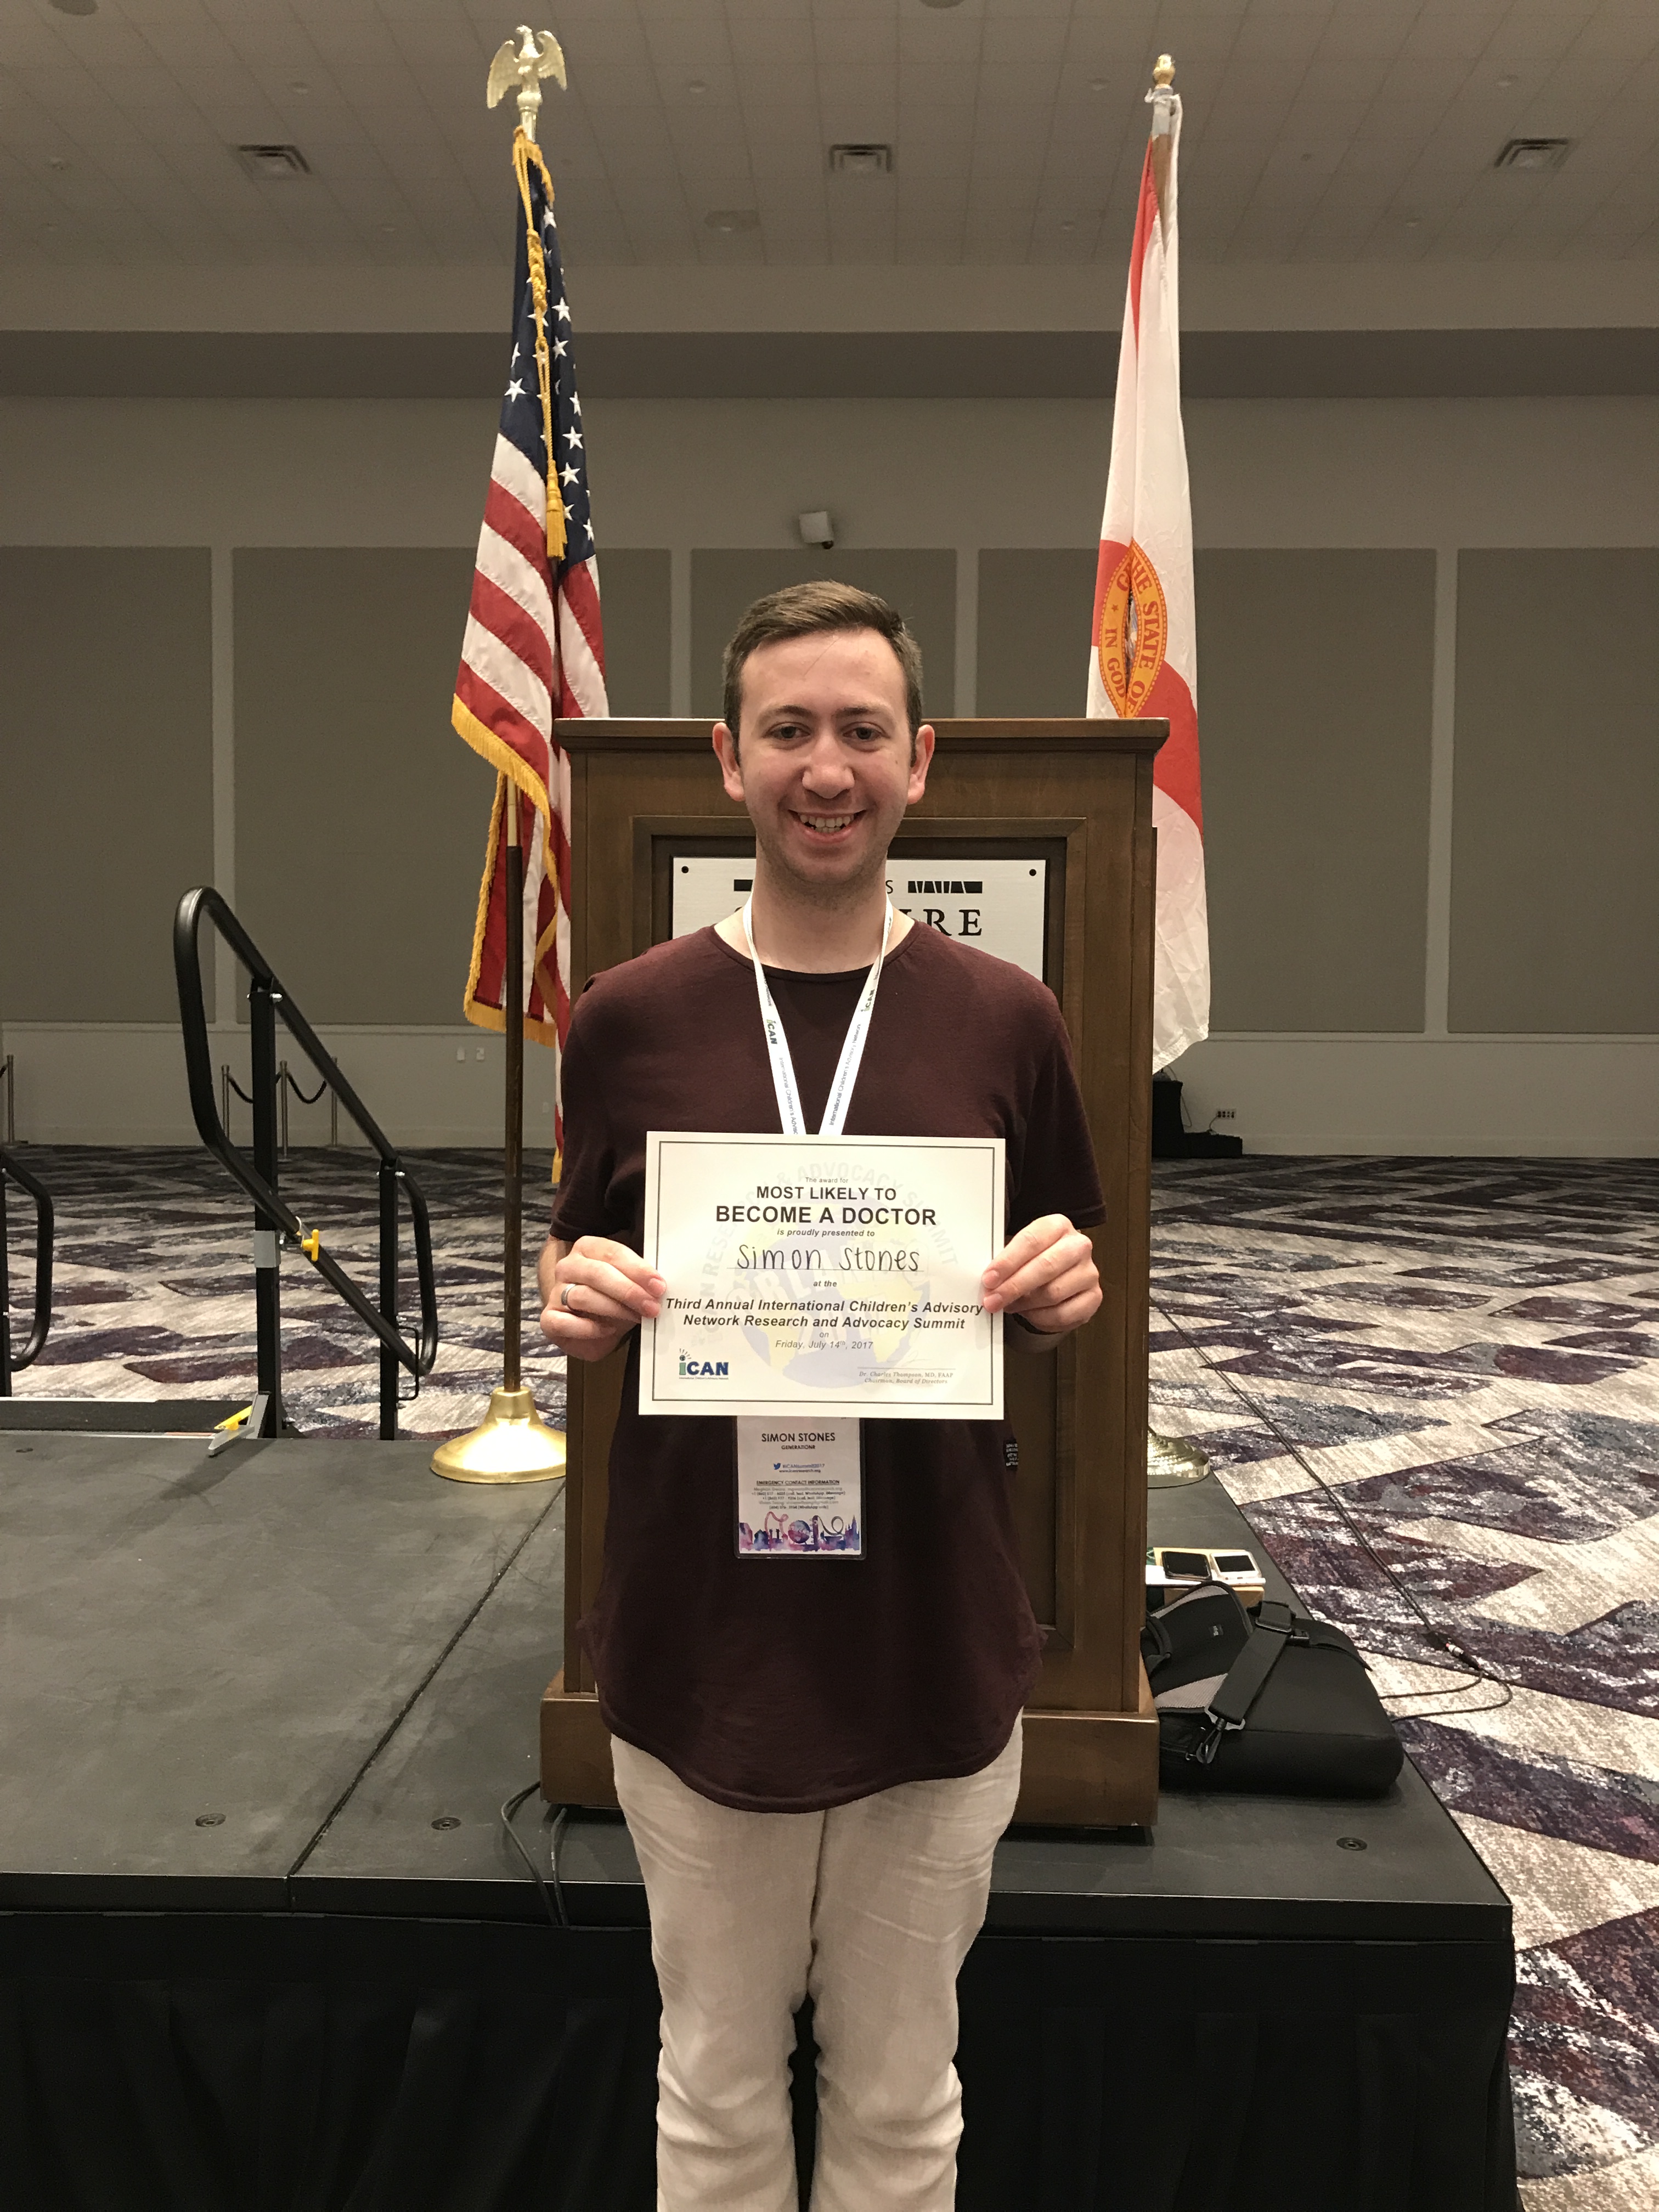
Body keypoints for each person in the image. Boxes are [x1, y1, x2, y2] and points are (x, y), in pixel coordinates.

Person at [538, 581, 1105, 2211]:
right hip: (700, 1637)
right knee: (714, 2095)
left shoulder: (1008, 1017)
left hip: (927, 1634)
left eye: (863, 729)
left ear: (922, 761)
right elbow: (578, 1254)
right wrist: (574, 1299)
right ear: (728, 761)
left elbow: (1053, 1277)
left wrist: (1060, 1297)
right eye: (787, 730)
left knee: (904, 2104)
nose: (826, 766)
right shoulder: (627, 1016)